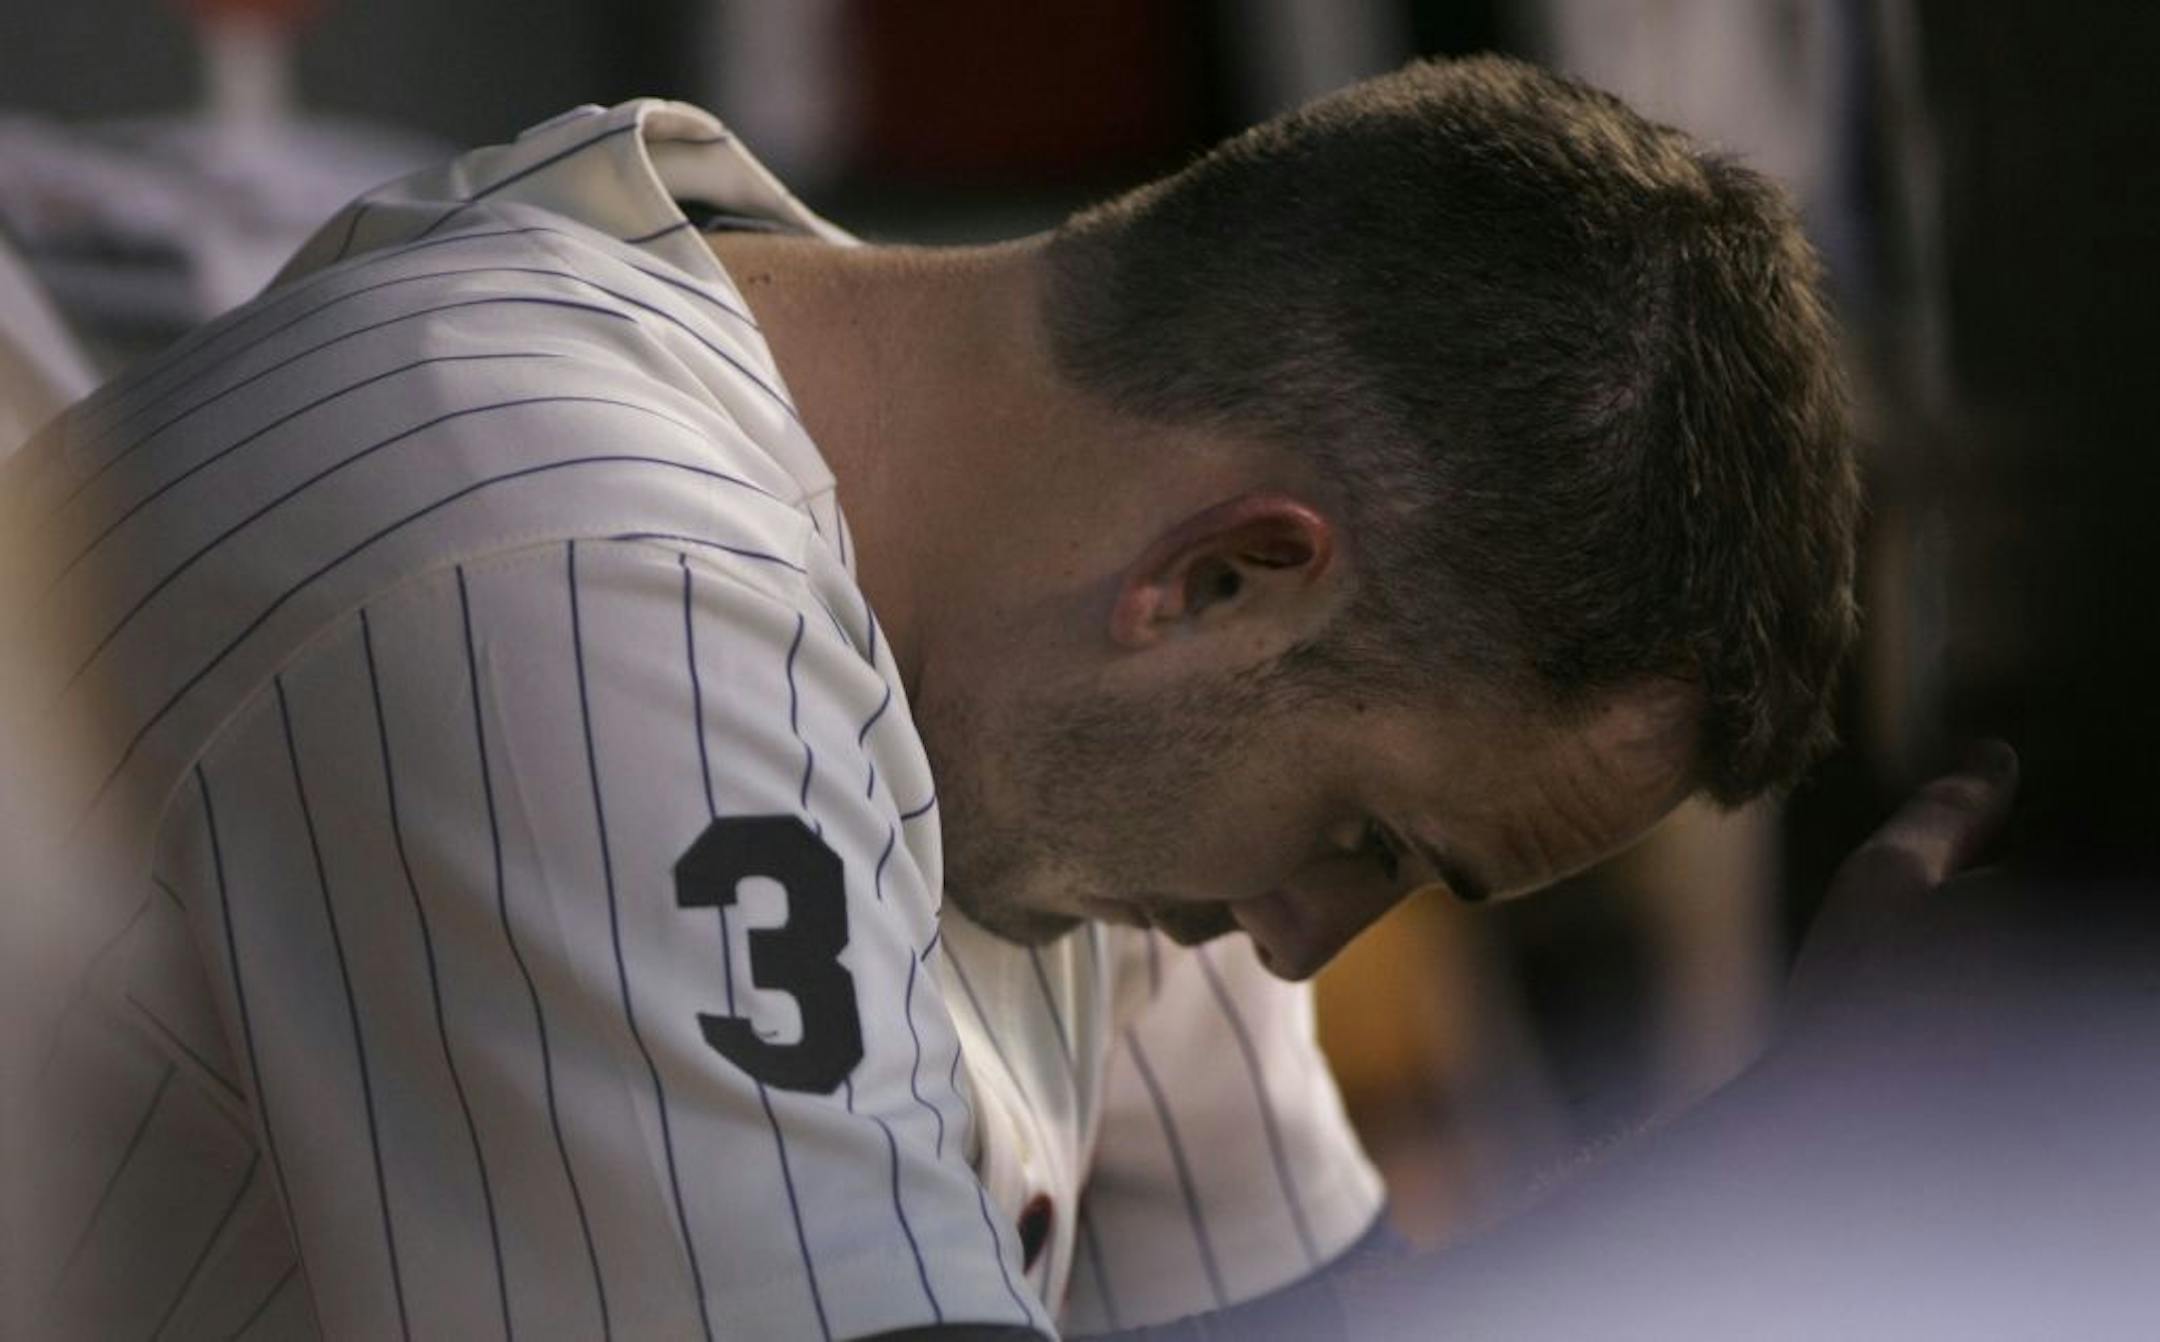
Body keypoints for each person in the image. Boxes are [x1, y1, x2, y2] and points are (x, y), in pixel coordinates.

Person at [2, 55, 2001, 1340]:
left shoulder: (1061, 674)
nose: (1311, 934)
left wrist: (1808, 1152)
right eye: (1369, 839)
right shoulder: (572, 549)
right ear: (1227, 572)